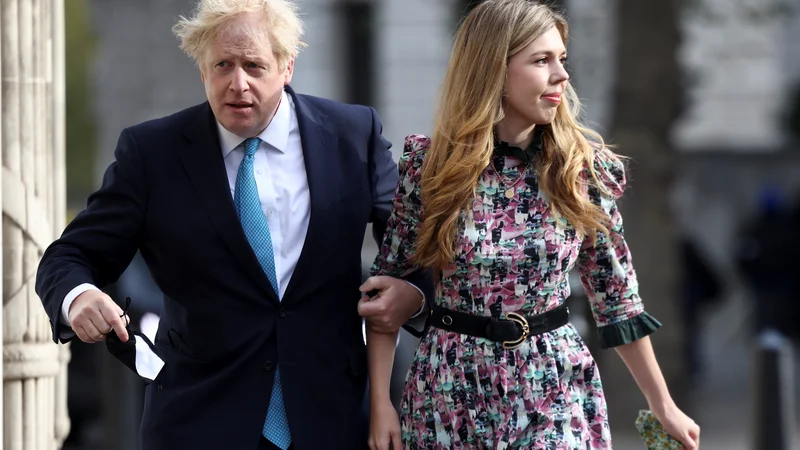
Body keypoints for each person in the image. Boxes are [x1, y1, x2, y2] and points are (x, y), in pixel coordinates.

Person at [35, 1, 431, 449]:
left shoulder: (351, 135)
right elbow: (69, 256)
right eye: (222, 64)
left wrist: (413, 292)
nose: (237, 83)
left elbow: (413, 244)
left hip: (332, 417)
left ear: (287, 67)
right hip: (199, 419)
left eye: (254, 65)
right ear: (203, 70)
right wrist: (79, 295)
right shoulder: (152, 153)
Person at [363, 1, 700, 449]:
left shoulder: (582, 170)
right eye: (542, 61)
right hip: (450, 387)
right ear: (493, 71)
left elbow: (616, 298)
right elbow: (387, 288)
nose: (561, 74)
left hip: (554, 382)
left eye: (562, 59)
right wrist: (382, 406)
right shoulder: (430, 169)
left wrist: (663, 404)